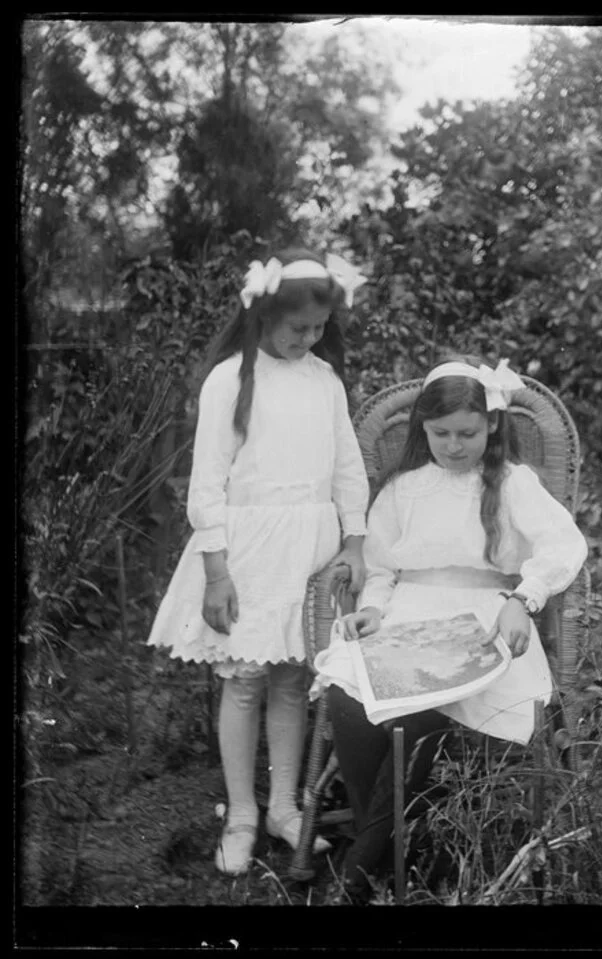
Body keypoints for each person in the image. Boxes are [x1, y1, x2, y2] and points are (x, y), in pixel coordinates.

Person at [312, 355, 588, 902]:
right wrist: (372, 605)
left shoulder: (513, 483)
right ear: (423, 429)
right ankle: (406, 845)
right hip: (410, 613)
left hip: (485, 614)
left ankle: (361, 875)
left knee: (421, 703)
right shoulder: (404, 488)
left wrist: (522, 599)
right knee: (349, 691)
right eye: (441, 433)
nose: (455, 445)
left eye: (467, 432)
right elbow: (385, 568)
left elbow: (563, 546)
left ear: (491, 425)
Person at [147, 247, 370, 876]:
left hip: (311, 548)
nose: (309, 338)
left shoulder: (324, 381)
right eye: (298, 327)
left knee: (294, 682)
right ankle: (242, 812)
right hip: (247, 551)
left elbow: (347, 468)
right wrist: (216, 571)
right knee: (245, 679)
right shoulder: (231, 379)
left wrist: (354, 539)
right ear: (264, 314)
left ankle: (283, 807)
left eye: (319, 328)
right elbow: (207, 482)